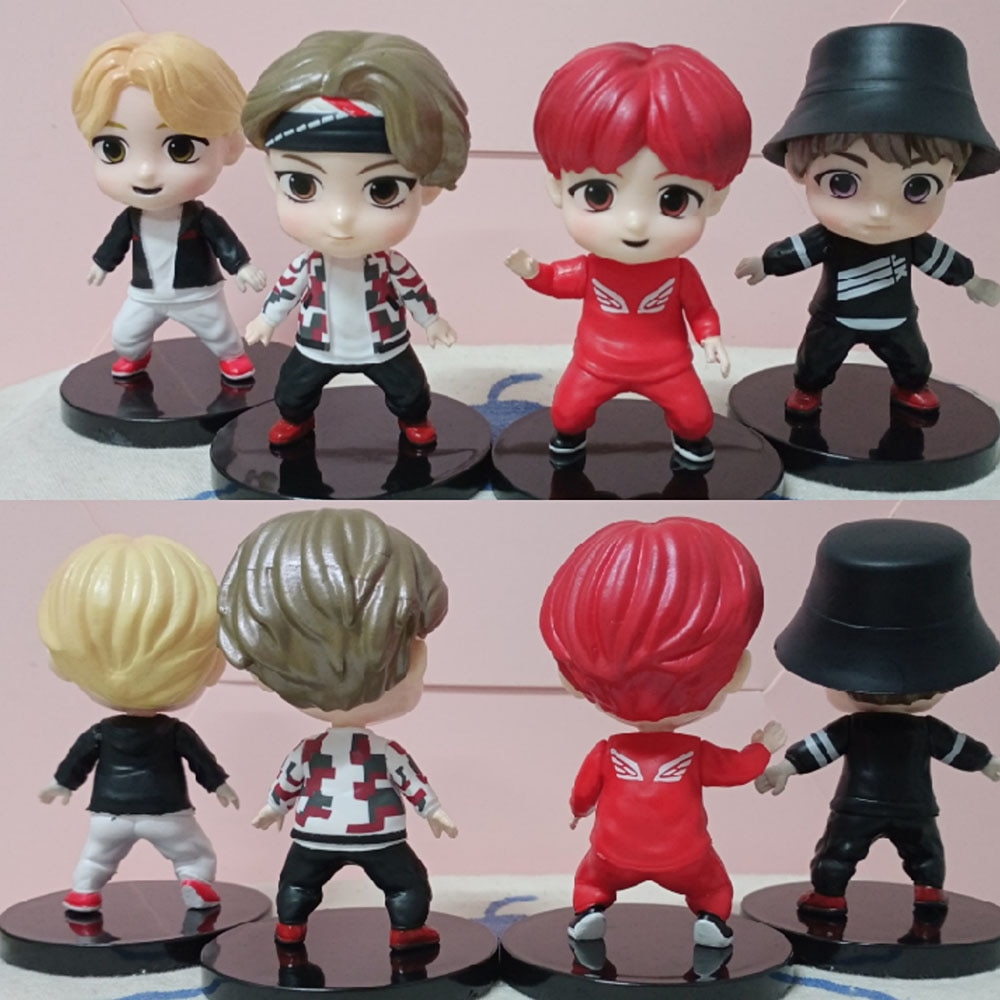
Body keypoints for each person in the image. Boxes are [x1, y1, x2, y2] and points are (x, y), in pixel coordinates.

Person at [540, 517, 784, 948]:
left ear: (572, 681)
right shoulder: (696, 752)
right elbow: (738, 769)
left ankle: (590, 909)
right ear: (736, 673)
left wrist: (578, 811)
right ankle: (711, 919)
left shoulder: (607, 751)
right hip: (686, 857)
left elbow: (583, 792)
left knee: (590, 879)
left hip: (612, 854)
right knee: (714, 886)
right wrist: (762, 748)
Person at [217, 508, 455, 949]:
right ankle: (406, 930)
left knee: (298, 882)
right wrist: (433, 811)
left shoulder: (309, 750)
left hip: (314, 833)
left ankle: (290, 927)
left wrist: (274, 807)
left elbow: (289, 779)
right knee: (406, 884)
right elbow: (410, 781)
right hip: (378, 836)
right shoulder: (385, 751)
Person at [506, 43, 751, 468]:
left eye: (673, 200)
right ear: (557, 187)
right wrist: (531, 271)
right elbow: (555, 280)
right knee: (566, 415)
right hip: (595, 363)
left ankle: (688, 446)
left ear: (715, 198)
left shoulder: (680, 272)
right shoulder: (590, 269)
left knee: (696, 420)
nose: (635, 223)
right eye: (599, 195)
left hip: (668, 366)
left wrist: (710, 337)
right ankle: (569, 441)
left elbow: (700, 310)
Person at [735, 23, 1000, 417]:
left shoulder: (912, 242)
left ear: (951, 178)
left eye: (917, 187)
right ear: (798, 168)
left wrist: (971, 280)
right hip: (835, 317)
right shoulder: (829, 239)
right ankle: (808, 390)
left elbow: (941, 259)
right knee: (815, 360)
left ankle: (910, 386)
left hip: (896, 318)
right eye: (842, 182)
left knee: (912, 360)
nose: (878, 213)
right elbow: (798, 250)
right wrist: (767, 263)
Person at [757, 518, 1000, 916]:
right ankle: (926, 892)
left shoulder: (855, 727)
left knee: (840, 851)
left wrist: (786, 767)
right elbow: (958, 748)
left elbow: (819, 748)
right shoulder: (925, 731)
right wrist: (986, 762)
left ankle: (831, 895)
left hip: (858, 805)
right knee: (923, 852)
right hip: (913, 805)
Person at [240, 32, 470, 448]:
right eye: (302, 185)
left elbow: (414, 290)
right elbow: (286, 290)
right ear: (272, 176)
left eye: (382, 190)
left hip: (383, 343)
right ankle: (295, 420)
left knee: (410, 391)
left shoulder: (390, 264)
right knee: (292, 390)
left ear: (428, 187)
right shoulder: (308, 264)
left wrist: (432, 321)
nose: (340, 218)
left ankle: (414, 421)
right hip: (317, 343)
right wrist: (267, 320)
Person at [38, 534, 238, 913]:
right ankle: (194, 881)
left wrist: (62, 784)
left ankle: (84, 893)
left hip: (109, 814)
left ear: (61, 662)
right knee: (195, 855)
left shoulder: (101, 731)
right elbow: (201, 761)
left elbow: (78, 758)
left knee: (96, 857)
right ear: (213, 664)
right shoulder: (174, 731)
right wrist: (219, 786)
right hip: (167, 813)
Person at [72, 33, 267, 381]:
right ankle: (135, 355)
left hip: (197, 293)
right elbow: (114, 242)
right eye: (114, 149)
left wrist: (241, 266)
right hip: (145, 293)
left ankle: (231, 357)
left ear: (228, 144)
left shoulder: (200, 218)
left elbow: (224, 241)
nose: (145, 172)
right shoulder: (131, 219)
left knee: (221, 334)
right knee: (125, 335)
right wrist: (102, 264)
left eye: (180, 148)